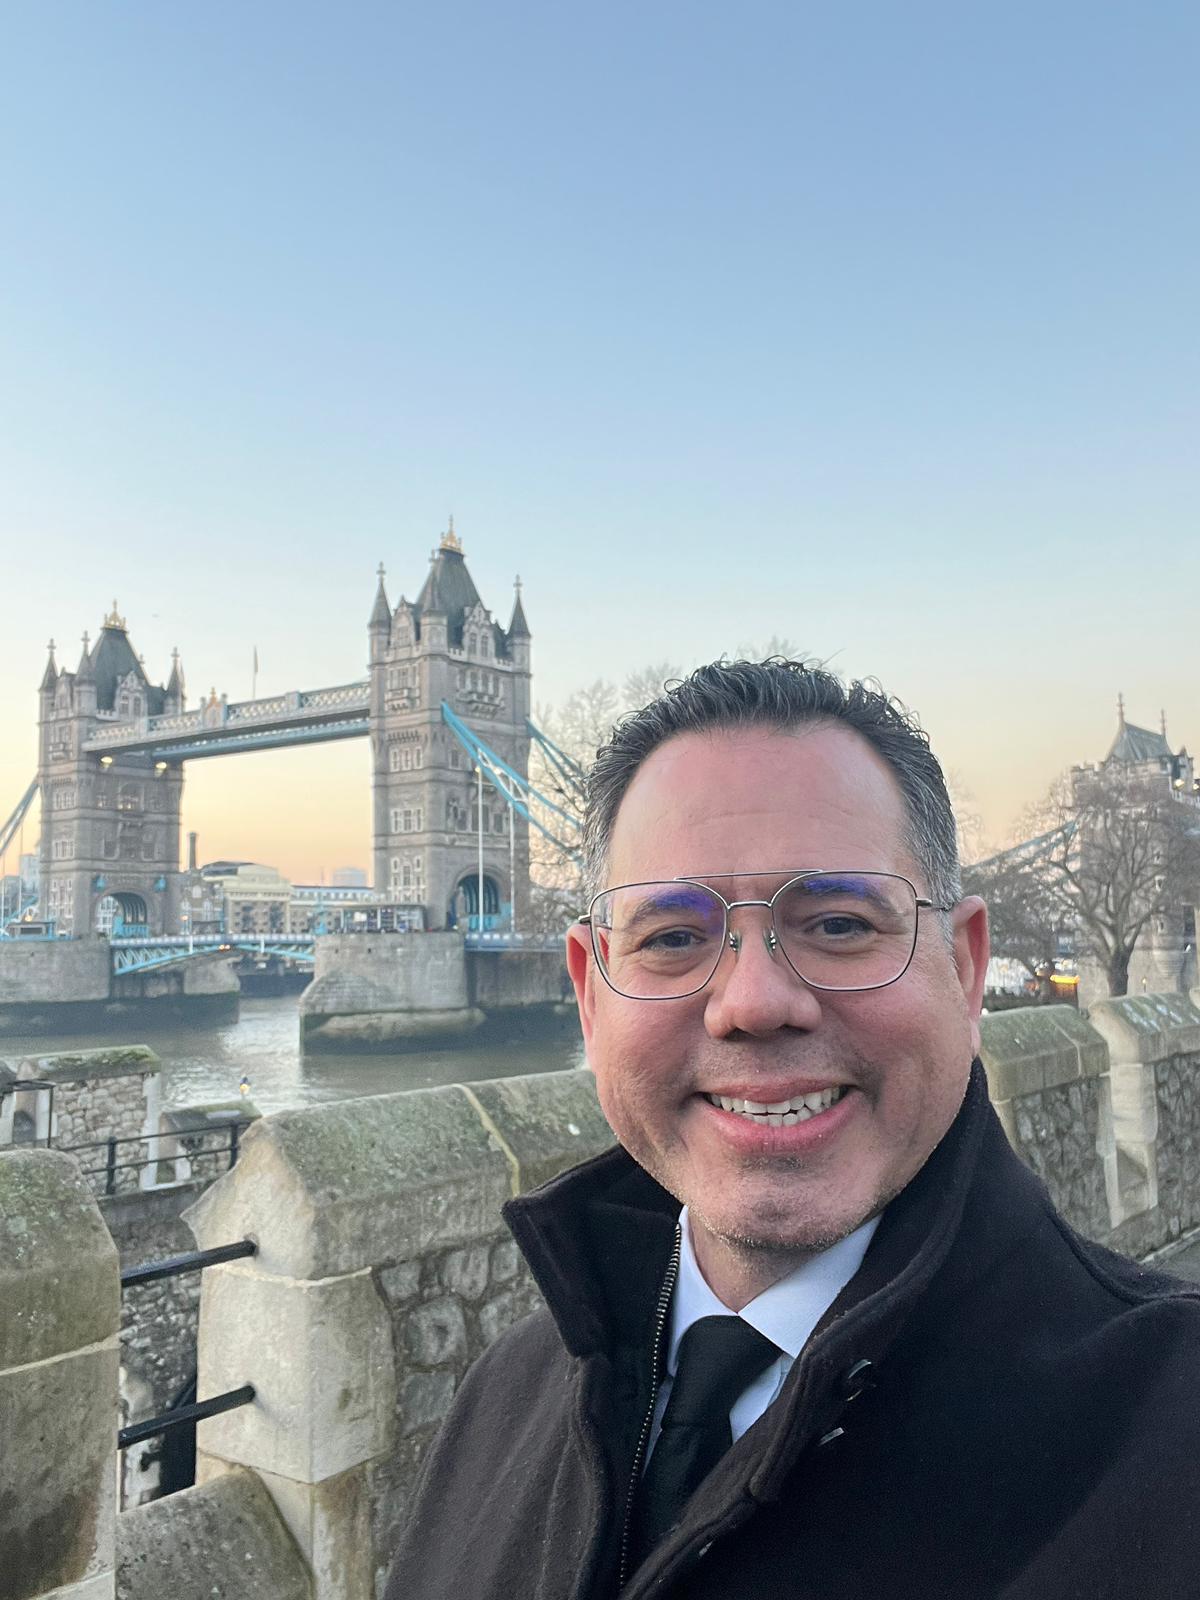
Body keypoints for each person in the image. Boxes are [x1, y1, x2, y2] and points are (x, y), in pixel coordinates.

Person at [385, 659, 1200, 1600]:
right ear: (590, 996)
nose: (754, 1003)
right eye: (672, 938)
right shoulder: (501, 1395)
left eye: (840, 924)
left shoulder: (1173, 1429)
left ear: (966, 970)